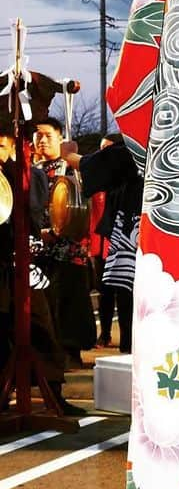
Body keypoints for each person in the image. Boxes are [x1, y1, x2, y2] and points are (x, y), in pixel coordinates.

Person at [0, 126, 78, 416]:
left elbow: (34, 216)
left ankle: (54, 392)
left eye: (1, 146)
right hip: (3, 265)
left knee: (42, 327)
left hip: (24, 264)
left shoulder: (31, 175)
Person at [63, 139, 142, 354]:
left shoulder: (137, 148)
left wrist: (70, 155)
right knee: (114, 292)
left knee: (129, 294)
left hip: (135, 237)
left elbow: (111, 161)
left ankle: (130, 343)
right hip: (109, 240)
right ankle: (118, 338)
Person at [31, 116, 96, 366]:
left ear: (60, 137)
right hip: (39, 250)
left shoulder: (71, 166)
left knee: (70, 304)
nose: (42, 140)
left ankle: (71, 354)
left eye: (48, 135)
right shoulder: (33, 170)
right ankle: (48, 358)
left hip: (69, 250)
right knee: (44, 308)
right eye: (37, 136)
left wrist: (56, 231)